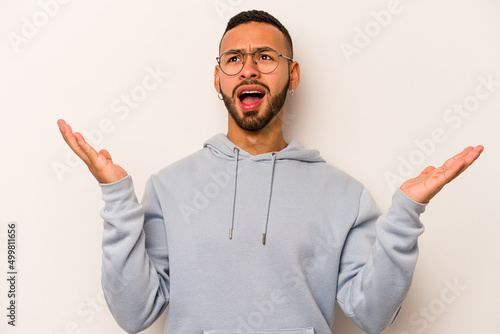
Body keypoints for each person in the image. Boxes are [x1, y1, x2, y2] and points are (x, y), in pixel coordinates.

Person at [57, 10, 483, 334]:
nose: (249, 68)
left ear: (292, 74)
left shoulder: (344, 195)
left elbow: (372, 314)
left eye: (265, 56)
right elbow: (134, 313)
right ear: (218, 78)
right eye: (234, 59)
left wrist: (408, 211)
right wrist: (116, 195)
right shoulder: (169, 188)